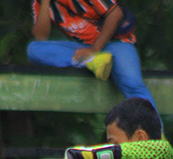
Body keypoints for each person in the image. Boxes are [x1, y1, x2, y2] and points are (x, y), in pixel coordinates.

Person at [27, 0, 157, 109]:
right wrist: (45, 3)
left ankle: (154, 131)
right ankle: (91, 61)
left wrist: (95, 49)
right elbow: (41, 37)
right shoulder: (39, 3)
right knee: (34, 49)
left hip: (115, 43)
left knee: (132, 83)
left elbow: (115, 14)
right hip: (84, 49)